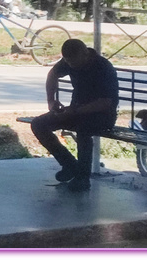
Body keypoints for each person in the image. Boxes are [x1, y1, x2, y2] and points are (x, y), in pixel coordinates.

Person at [29, 39, 118, 193]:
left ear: (85, 54)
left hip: (102, 116)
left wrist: (76, 111)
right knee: (38, 124)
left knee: (84, 130)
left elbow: (106, 103)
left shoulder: (103, 67)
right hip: (76, 111)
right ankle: (69, 165)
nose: (71, 66)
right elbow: (53, 74)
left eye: (74, 63)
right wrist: (52, 101)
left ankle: (83, 177)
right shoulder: (69, 61)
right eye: (68, 62)